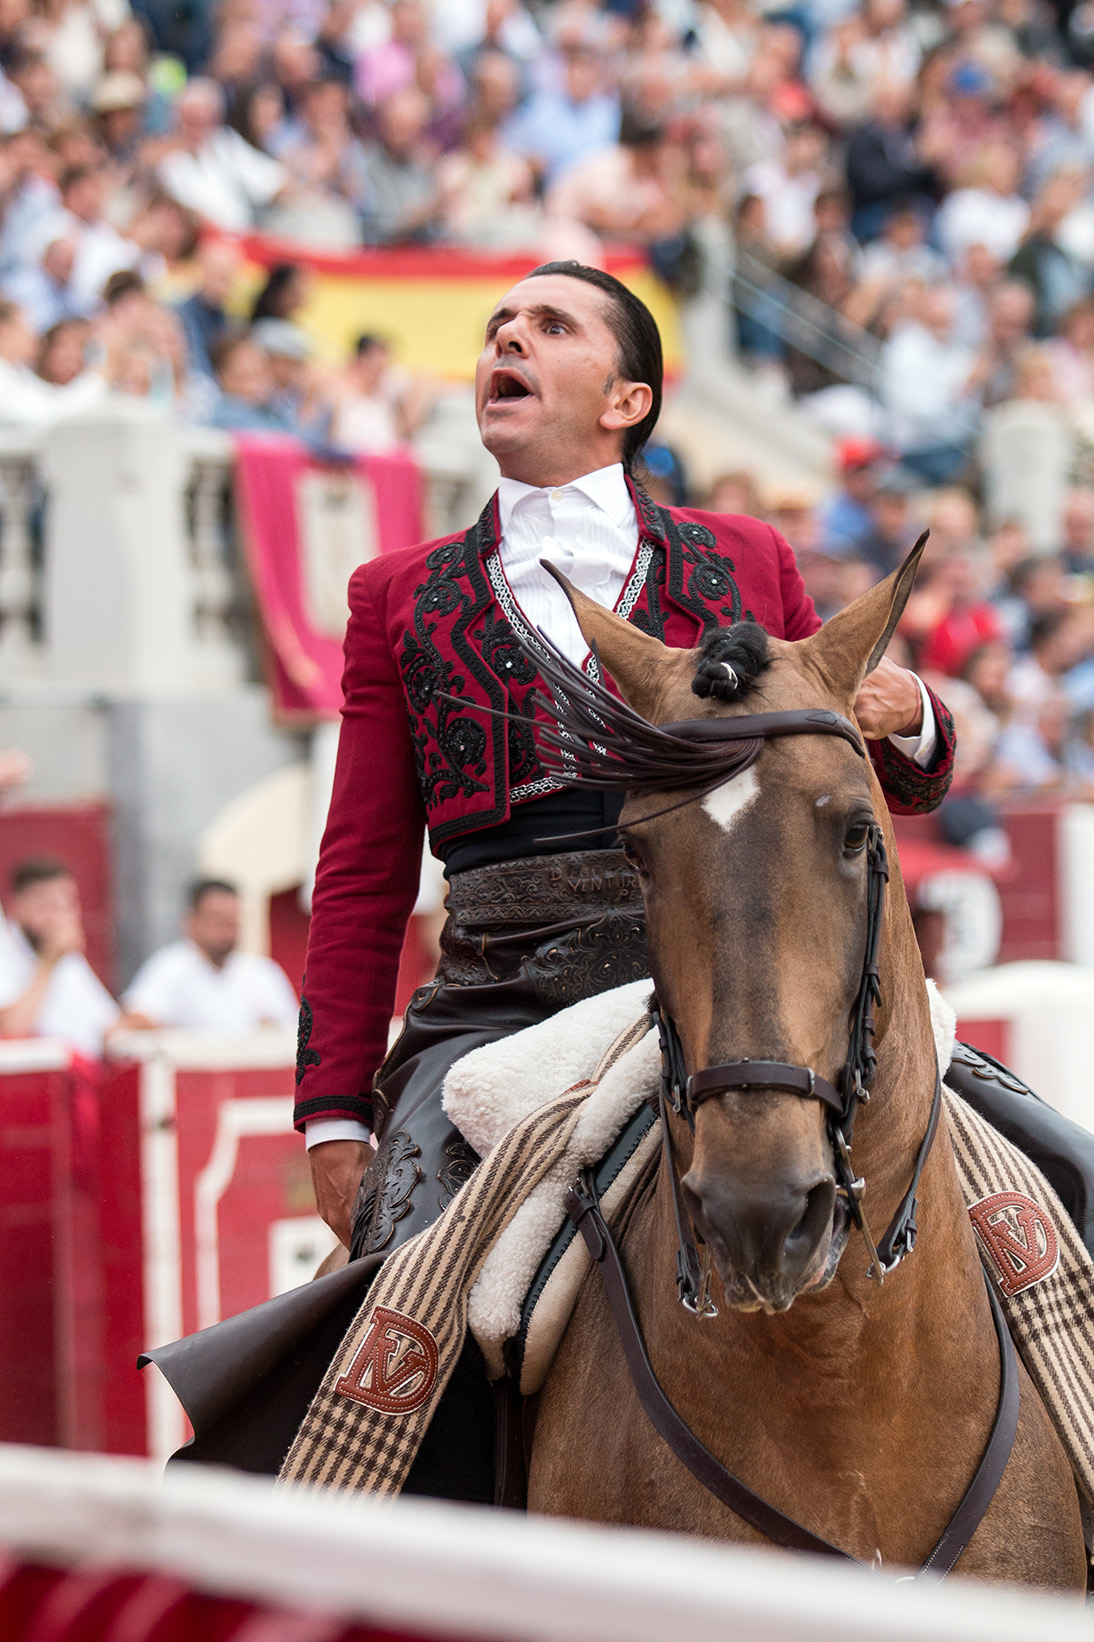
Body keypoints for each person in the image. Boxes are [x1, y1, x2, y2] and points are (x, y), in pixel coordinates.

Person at [298, 259, 956, 1263]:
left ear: (626, 400)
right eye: (498, 328)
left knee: (1037, 1187)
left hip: (753, 978)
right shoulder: (395, 594)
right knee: (395, 1309)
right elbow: (360, 869)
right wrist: (335, 1112)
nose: (506, 342)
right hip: (501, 1003)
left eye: (550, 326)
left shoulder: (743, 556)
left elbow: (887, 786)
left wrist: (907, 713)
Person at [123, 878, 298, 1032]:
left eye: (233, 921)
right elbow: (134, 1021)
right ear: (192, 921)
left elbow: (295, 1032)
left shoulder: (262, 972)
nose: (228, 931)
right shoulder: (170, 968)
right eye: (218, 920)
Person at [0, 855, 119, 1057]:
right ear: (16, 906)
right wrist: (49, 961)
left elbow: (108, 1026)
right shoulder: (8, 951)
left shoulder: (70, 960)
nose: (58, 916)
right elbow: (10, 1031)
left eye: (67, 904)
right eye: (45, 905)